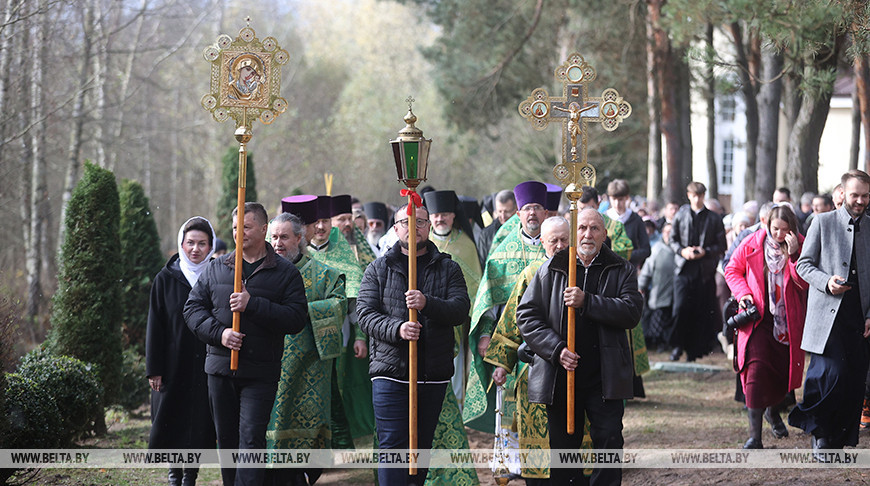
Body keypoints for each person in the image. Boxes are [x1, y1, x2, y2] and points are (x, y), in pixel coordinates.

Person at [184, 202, 309, 486]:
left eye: (247, 227)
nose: (239, 233)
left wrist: (253, 305)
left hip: (260, 371)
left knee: (251, 438)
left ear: (264, 229)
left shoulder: (286, 273)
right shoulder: (217, 267)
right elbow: (192, 310)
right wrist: (220, 334)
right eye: (234, 228)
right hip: (219, 368)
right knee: (227, 440)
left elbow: (295, 318)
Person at [516, 208, 643, 486]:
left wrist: (588, 301)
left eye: (595, 228)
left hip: (604, 375)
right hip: (560, 375)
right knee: (564, 448)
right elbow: (526, 316)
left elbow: (631, 312)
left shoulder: (620, 268)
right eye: (582, 228)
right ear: (574, 233)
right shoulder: (552, 268)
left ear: (604, 234)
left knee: (609, 441)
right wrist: (556, 349)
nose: (588, 234)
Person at [357, 203, 470, 486]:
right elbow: (365, 315)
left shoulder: (448, 267)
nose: (413, 227)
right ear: (395, 229)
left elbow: (459, 310)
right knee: (393, 445)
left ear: (428, 226)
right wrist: (398, 328)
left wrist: (427, 303)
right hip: (390, 370)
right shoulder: (378, 269)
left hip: (431, 371)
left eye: (419, 222)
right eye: (405, 222)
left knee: (420, 447)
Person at [788, 170, 870, 456]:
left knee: (853, 378)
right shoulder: (822, 222)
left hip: (860, 316)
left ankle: (837, 441)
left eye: (865, 196)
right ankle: (820, 434)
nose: (860, 201)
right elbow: (804, 265)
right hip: (828, 315)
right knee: (831, 374)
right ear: (842, 194)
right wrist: (826, 282)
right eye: (854, 195)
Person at [485, 216, 571, 483]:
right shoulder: (532, 272)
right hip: (538, 368)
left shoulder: (584, 271)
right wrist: (502, 363)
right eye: (553, 240)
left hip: (575, 366)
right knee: (536, 431)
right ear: (543, 243)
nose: (559, 246)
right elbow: (513, 320)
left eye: (564, 240)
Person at [266, 211, 347, 486]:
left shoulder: (324, 276)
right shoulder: (260, 272)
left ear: (300, 239)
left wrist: (297, 312)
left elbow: (338, 307)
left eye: (284, 237)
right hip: (266, 365)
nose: (278, 243)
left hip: (308, 369)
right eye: (274, 237)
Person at [284, 194, 368, 449]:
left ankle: (332, 443)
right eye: (315, 222)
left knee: (330, 391)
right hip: (286, 342)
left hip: (332, 338)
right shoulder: (282, 254)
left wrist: (361, 336)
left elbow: (354, 299)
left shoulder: (343, 250)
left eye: (325, 221)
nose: (320, 227)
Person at [465, 181, 548, 432]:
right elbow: (490, 303)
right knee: (509, 402)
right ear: (518, 214)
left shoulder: (556, 247)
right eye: (527, 208)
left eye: (537, 208)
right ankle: (510, 463)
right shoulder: (502, 254)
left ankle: (544, 463)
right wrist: (485, 334)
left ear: (546, 213)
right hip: (510, 339)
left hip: (548, 337)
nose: (532, 213)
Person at [724, 205, 807, 449]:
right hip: (758, 319)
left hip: (787, 320)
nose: (779, 234)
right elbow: (732, 270)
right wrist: (744, 294)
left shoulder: (800, 244)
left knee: (781, 375)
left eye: (784, 230)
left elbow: (804, 283)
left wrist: (794, 256)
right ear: (767, 225)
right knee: (756, 374)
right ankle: (754, 437)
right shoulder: (752, 243)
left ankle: (773, 412)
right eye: (775, 229)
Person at [146, 217, 217, 486]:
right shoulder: (165, 279)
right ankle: (174, 475)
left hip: (207, 364)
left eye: (202, 243)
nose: (195, 249)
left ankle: (191, 475)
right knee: (172, 421)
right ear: (181, 244)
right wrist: (155, 369)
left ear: (210, 246)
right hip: (173, 365)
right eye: (190, 243)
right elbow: (155, 326)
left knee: (199, 424)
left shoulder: (218, 275)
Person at [668, 182, 727, 362]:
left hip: (704, 271)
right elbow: (672, 240)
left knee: (699, 310)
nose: (697, 199)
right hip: (683, 268)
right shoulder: (680, 215)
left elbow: (721, 245)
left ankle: (694, 351)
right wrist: (682, 251)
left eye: (700, 195)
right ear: (688, 195)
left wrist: (705, 252)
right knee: (679, 309)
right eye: (694, 195)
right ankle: (677, 346)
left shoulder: (714, 219)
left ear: (704, 196)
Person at [638, 223, 676, 353]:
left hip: (675, 294)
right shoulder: (657, 249)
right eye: (665, 231)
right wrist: (641, 286)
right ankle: (658, 342)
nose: (668, 234)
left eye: (671, 231)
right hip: (659, 293)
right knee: (658, 320)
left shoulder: (680, 249)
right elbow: (646, 271)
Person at [606, 179, 651, 269]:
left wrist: (625, 255)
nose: (617, 203)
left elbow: (646, 250)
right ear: (609, 198)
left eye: (620, 199)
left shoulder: (636, 220)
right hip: (608, 271)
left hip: (629, 270)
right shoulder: (604, 219)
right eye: (614, 199)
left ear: (627, 198)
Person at [476, 189, 517, 267]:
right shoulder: (486, 234)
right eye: (500, 211)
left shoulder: (523, 230)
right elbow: (482, 263)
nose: (503, 216)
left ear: (516, 209)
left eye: (507, 211)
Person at [332, 194, 377, 266]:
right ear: (331, 222)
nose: (348, 223)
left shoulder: (365, 250)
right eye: (342, 219)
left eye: (350, 219)